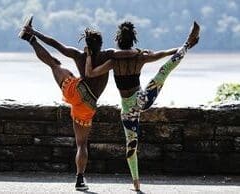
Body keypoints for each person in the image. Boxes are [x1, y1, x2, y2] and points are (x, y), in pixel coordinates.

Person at [18, 16, 139, 191]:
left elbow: (56, 44)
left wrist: (34, 31)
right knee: (82, 144)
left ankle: (30, 39)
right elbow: (128, 53)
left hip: (74, 92)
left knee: (55, 65)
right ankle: (79, 178)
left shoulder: (79, 55)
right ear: (100, 44)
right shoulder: (108, 55)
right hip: (87, 105)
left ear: (87, 44)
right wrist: (140, 52)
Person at [85, 21, 200, 192]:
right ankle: (187, 43)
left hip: (128, 110)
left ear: (118, 40)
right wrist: (181, 47)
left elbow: (90, 74)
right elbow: (160, 55)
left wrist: (88, 55)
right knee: (164, 71)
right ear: (133, 40)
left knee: (131, 144)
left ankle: (136, 184)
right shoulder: (139, 56)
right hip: (142, 100)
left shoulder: (113, 61)